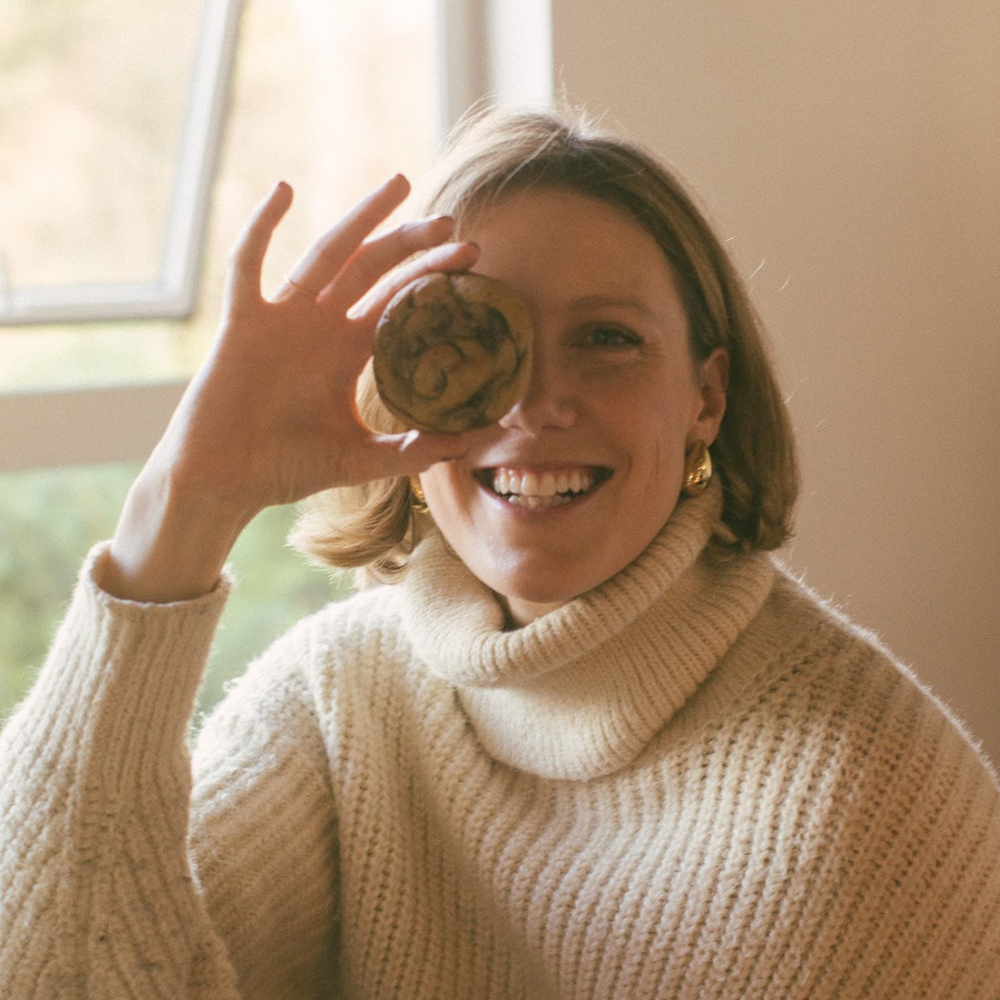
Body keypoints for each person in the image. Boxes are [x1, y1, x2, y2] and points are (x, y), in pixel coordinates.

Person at [0, 107, 998, 1000]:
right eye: (474, 335)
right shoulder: (341, 695)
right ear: (398, 384)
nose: (532, 405)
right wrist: (182, 505)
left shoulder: (863, 792)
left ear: (706, 397)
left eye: (607, 338)